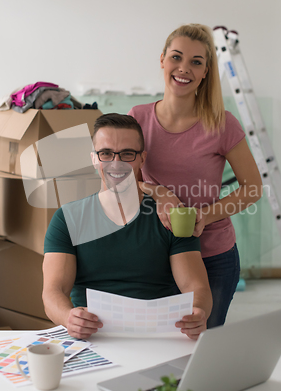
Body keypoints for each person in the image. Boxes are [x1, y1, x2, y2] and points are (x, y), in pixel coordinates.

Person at [128, 23, 263, 328]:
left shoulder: (222, 124)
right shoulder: (137, 119)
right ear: (162, 59)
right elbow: (120, 182)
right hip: (154, 252)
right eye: (176, 57)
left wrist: (206, 216)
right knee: (157, 346)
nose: (184, 68)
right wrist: (159, 192)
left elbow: (252, 188)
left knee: (202, 342)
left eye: (196, 62)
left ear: (205, 72)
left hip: (212, 256)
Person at [42, 113, 212, 340]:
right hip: (92, 336)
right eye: (105, 154)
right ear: (94, 159)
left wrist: (198, 312)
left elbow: (196, 286)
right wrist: (68, 317)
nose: (116, 163)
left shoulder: (170, 217)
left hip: (158, 333)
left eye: (127, 154)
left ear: (142, 159)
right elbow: (54, 291)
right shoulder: (67, 218)